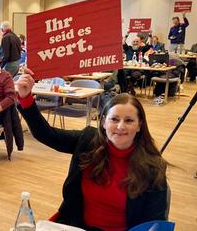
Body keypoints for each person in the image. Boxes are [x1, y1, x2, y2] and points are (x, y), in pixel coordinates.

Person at [15, 73, 168, 230]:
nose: (121, 126)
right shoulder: (88, 140)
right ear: (103, 122)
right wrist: (26, 97)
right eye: (114, 119)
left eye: (129, 120)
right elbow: (47, 134)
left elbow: (155, 224)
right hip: (76, 226)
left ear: (139, 125)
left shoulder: (152, 167)